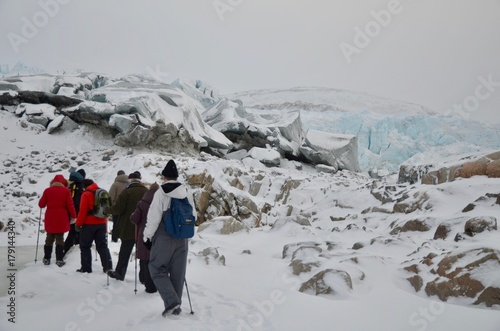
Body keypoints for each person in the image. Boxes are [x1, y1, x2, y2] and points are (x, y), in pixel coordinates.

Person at [143, 160, 196, 316]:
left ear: (164, 177)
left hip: (165, 236)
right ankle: (175, 309)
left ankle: (171, 301)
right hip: (183, 238)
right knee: (178, 273)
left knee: (155, 267)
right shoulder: (187, 191)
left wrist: (147, 237)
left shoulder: (161, 192)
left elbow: (153, 218)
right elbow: (193, 216)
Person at [106, 172, 147, 281]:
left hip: (128, 227)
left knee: (125, 251)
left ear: (130, 180)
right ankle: (144, 277)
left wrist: (106, 210)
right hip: (143, 228)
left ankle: (120, 273)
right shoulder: (146, 192)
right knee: (143, 253)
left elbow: (117, 209)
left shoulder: (126, 192)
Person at [38, 174, 76, 267]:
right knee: (60, 238)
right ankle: (59, 259)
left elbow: (41, 204)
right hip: (61, 218)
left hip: (50, 217)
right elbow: (70, 205)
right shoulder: (66, 191)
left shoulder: (47, 190)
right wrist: (74, 216)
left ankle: (47, 258)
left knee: (49, 238)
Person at [75, 179, 113, 273]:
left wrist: (78, 224)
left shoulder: (86, 194)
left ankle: (86, 269)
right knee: (102, 246)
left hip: (88, 224)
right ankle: (108, 267)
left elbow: (83, 211)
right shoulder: (102, 192)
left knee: (85, 246)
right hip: (102, 223)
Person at [130, 183, 159, 293]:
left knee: (145, 258)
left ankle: (148, 284)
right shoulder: (161, 202)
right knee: (155, 260)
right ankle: (156, 283)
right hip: (157, 234)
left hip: (144, 233)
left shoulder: (142, 203)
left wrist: (132, 215)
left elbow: (135, 219)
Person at [63, 170, 85, 257]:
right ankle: (67, 251)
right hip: (76, 213)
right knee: (75, 232)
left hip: (67, 212)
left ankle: (67, 250)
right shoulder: (80, 186)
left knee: (73, 232)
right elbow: (78, 202)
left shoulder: (69, 184)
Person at [108, 170, 128, 242]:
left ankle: (114, 239)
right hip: (127, 208)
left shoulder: (115, 184)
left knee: (116, 224)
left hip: (117, 207)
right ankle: (124, 239)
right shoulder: (129, 184)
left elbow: (110, 197)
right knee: (125, 224)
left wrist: (111, 207)